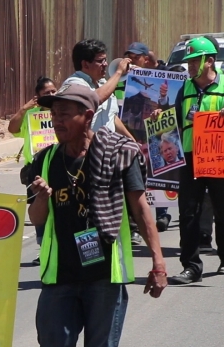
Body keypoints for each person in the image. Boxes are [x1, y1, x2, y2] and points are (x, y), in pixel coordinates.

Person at [26, 84, 167, 347]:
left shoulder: (119, 154)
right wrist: (41, 196)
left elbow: (140, 210)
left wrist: (157, 261)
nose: (56, 121)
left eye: (64, 114)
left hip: (106, 273)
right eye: (53, 114)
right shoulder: (45, 160)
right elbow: (36, 219)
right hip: (60, 275)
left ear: (87, 116)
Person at [168, 37, 224, 285]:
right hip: (191, 157)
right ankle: (191, 266)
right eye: (189, 61)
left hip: (219, 158)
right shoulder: (184, 88)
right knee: (188, 212)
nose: (190, 66)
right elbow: (174, 121)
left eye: (195, 60)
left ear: (210, 61)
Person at [64, 39, 144, 246]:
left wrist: (131, 141)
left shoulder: (102, 84)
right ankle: (89, 256)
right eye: (100, 61)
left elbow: (112, 117)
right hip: (87, 159)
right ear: (85, 64)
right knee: (91, 210)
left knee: (115, 207)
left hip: (108, 157)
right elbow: (93, 100)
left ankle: (117, 243)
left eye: (105, 61)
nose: (104, 65)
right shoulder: (74, 84)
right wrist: (117, 73)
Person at [12, 77, 58, 266]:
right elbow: (12, 128)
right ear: (37, 96)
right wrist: (24, 109)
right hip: (36, 170)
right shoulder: (31, 117)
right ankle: (44, 249)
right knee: (39, 208)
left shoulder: (61, 112)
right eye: (47, 93)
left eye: (54, 91)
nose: (52, 95)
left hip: (58, 165)